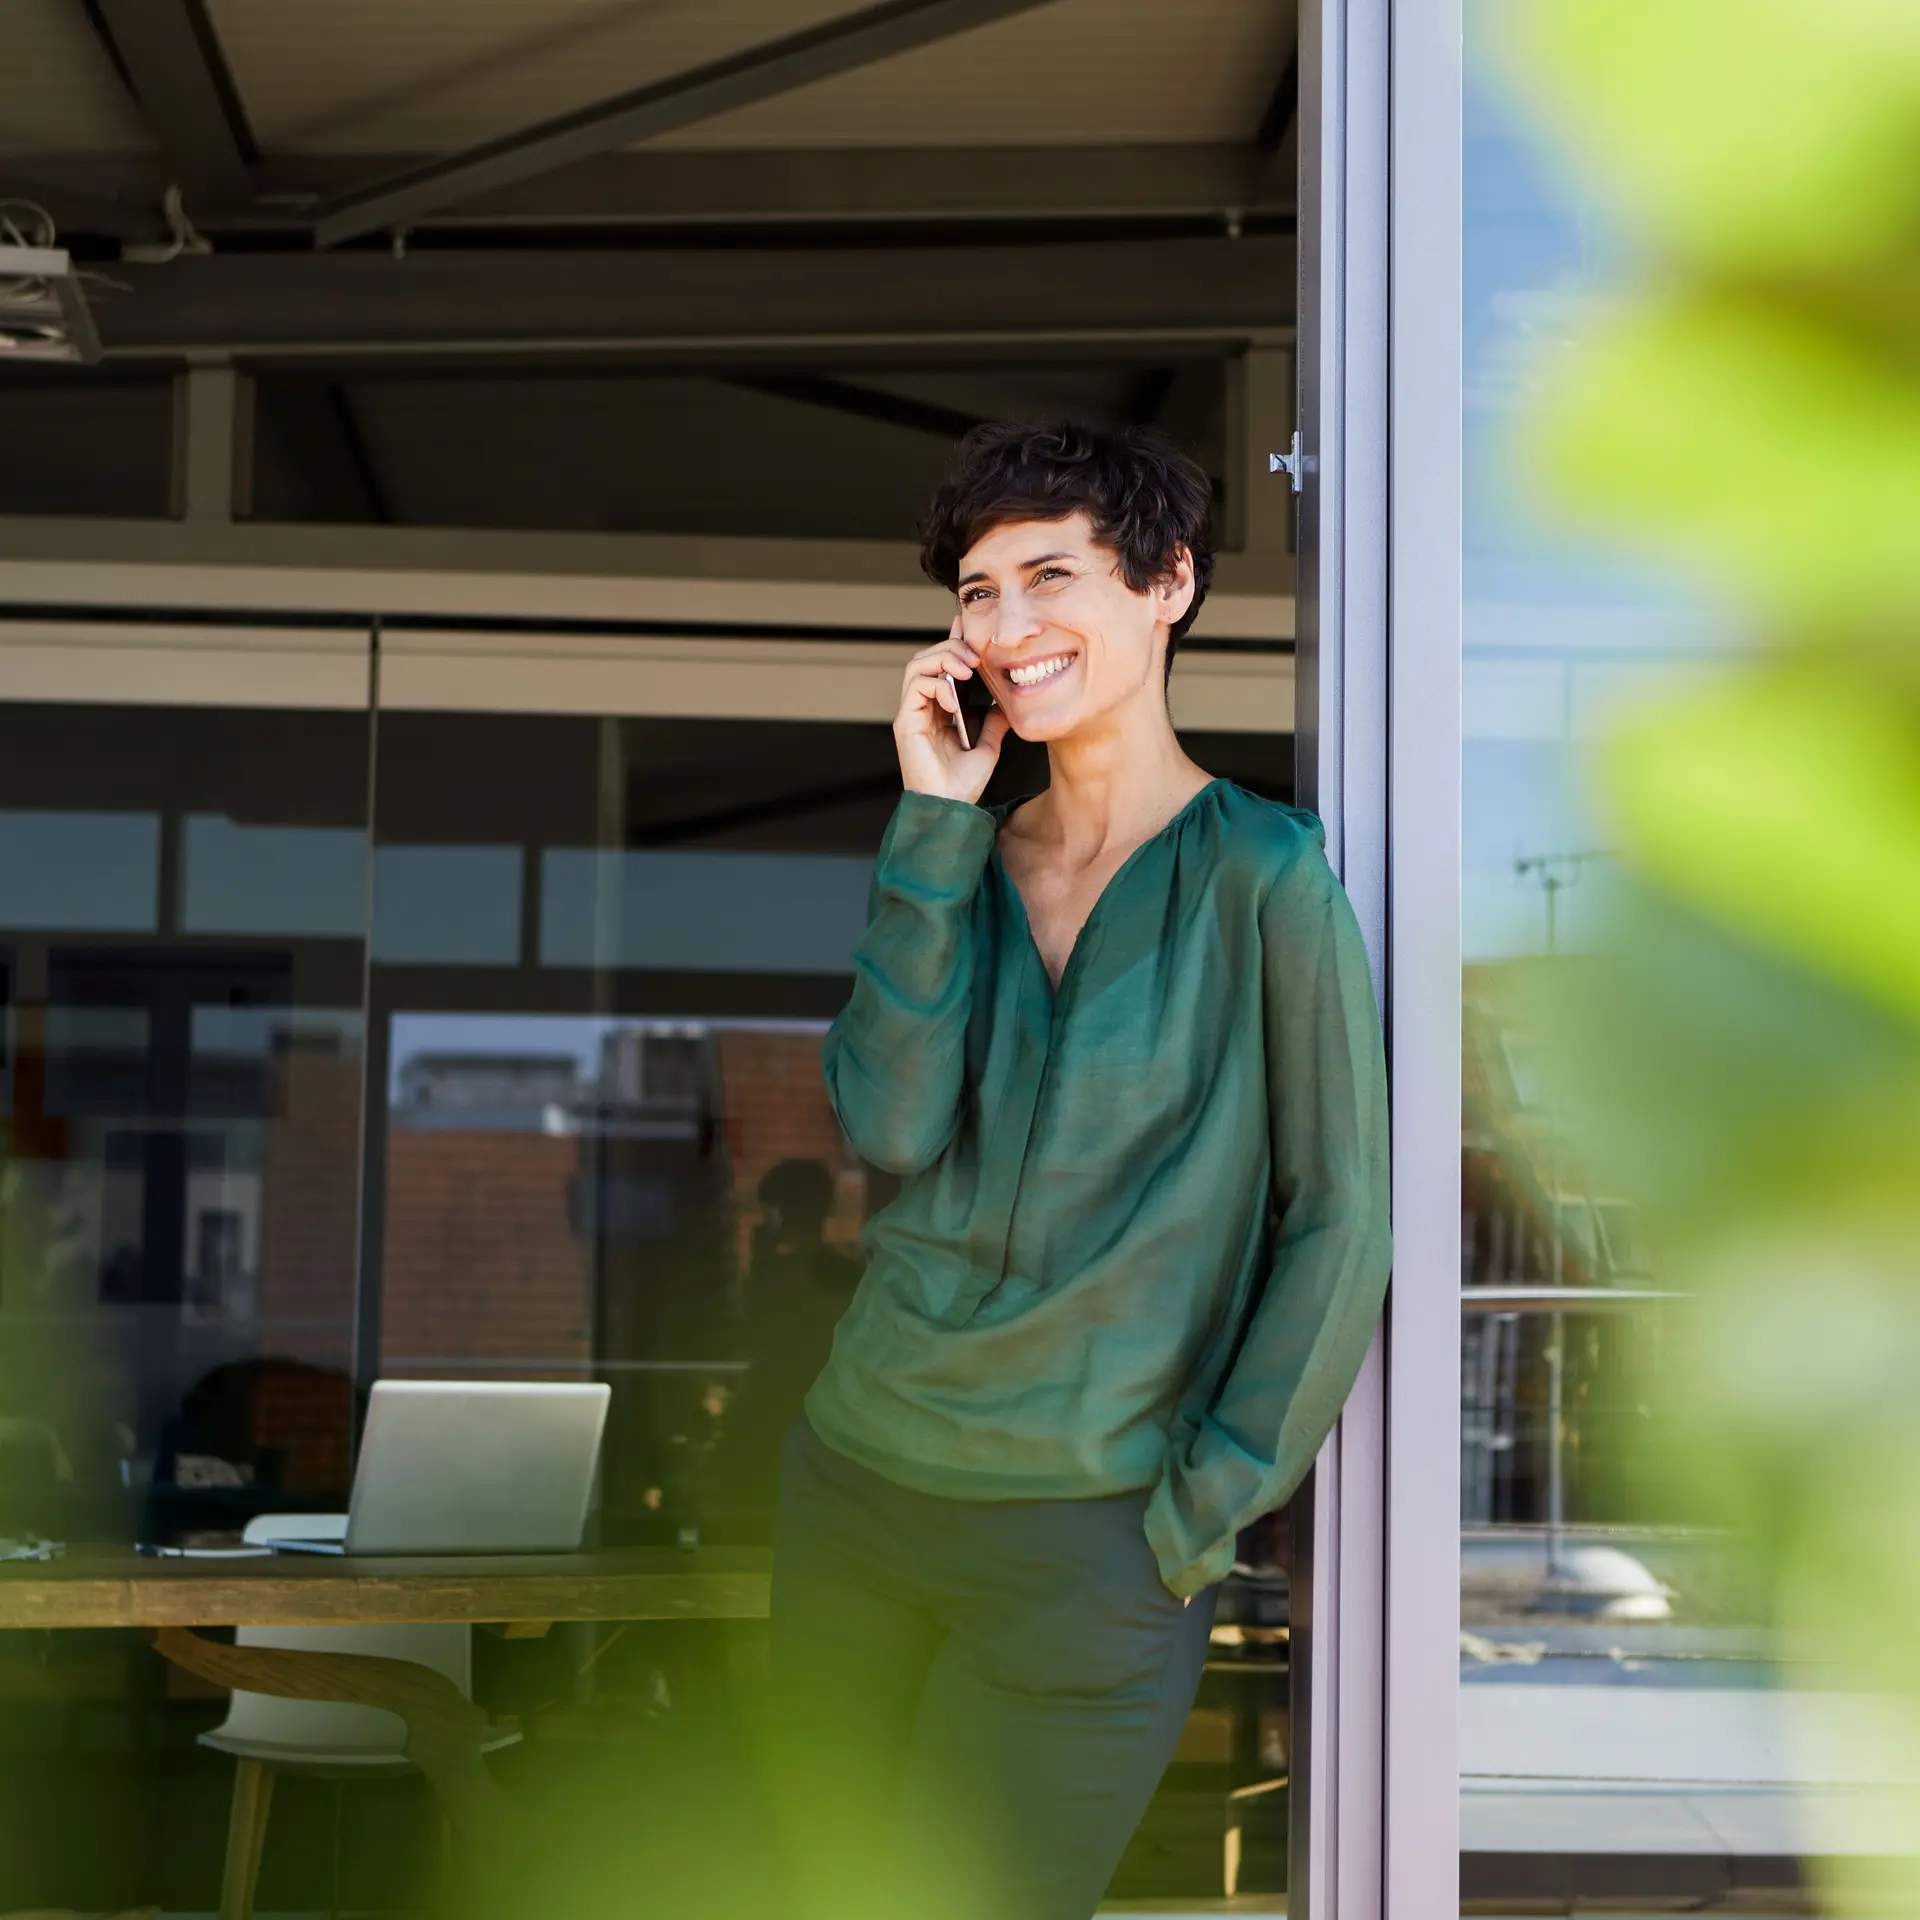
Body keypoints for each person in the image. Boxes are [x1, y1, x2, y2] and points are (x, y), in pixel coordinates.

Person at [770, 421, 1391, 1920]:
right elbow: (891, 1127)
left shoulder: (1266, 879)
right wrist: (931, 818)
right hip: (858, 1485)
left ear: (1167, 584)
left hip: (1090, 1539)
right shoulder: (961, 865)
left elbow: (1342, 1219)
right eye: (977, 593)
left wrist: (1199, 1512)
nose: (1005, 627)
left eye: (1051, 575)